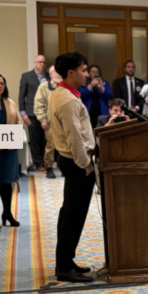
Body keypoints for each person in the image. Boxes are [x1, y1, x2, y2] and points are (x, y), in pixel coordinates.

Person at [49, 53, 96, 282]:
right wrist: (87, 166)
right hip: (77, 164)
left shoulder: (62, 94)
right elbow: (75, 138)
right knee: (73, 216)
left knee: (69, 214)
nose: (87, 75)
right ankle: (65, 267)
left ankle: (66, 261)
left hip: (72, 161)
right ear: (71, 73)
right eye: (84, 70)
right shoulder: (67, 100)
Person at [0, 73, 22, 228]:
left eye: (2, 83)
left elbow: (19, 120)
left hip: (9, 147)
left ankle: (7, 213)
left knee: (7, 181)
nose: (0, 85)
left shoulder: (10, 102)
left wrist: (17, 131)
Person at [18, 54, 51, 172]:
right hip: (31, 113)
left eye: (44, 62)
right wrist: (23, 113)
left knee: (46, 139)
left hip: (47, 113)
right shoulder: (27, 76)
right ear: (35, 63)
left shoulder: (49, 76)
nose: (42, 64)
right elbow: (22, 96)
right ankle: (38, 163)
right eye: (40, 62)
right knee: (35, 139)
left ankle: (47, 162)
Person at [34, 66, 62, 179]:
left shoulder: (65, 87)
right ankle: (49, 167)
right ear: (51, 74)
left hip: (64, 122)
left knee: (66, 146)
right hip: (51, 122)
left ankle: (64, 167)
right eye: (57, 72)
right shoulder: (44, 86)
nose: (59, 74)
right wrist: (43, 120)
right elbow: (38, 104)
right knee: (51, 146)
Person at [78, 65, 113, 130]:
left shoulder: (105, 83)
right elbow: (81, 95)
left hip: (102, 112)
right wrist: (91, 85)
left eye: (97, 72)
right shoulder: (84, 83)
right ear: (89, 73)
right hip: (88, 113)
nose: (95, 74)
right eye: (93, 72)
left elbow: (110, 96)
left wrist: (102, 87)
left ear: (99, 74)